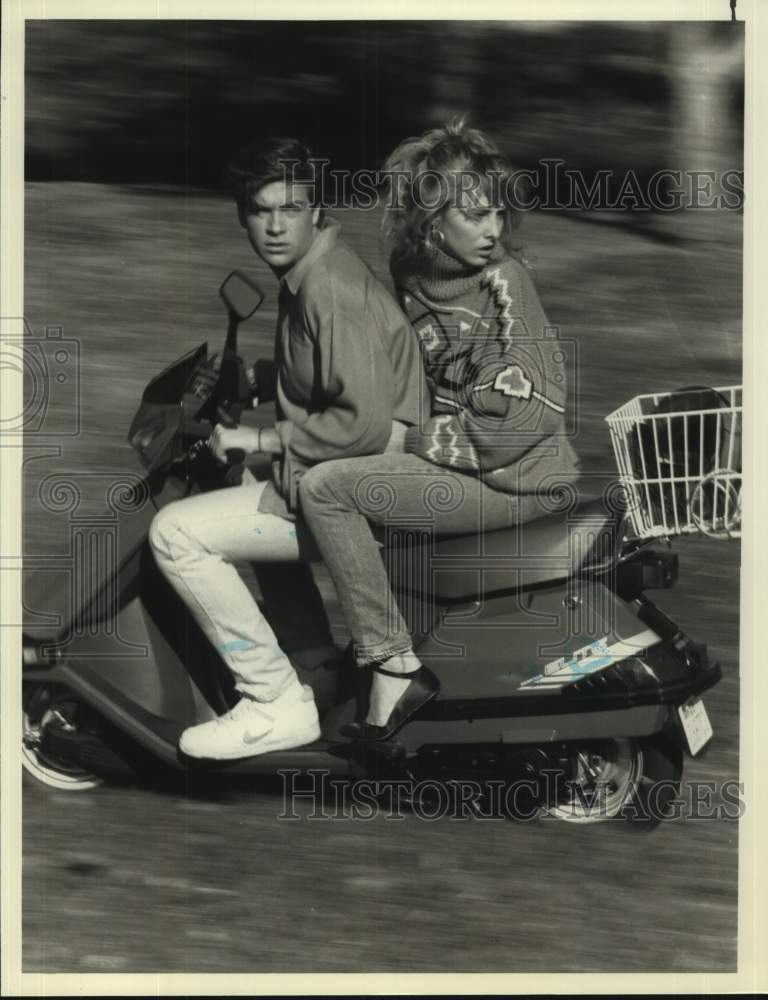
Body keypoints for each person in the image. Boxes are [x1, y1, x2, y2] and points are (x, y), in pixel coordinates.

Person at [299, 118, 581, 742]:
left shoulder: (506, 282)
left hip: (517, 479)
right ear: (431, 219)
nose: (493, 230)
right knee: (335, 475)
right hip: (464, 464)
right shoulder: (411, 273)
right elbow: (406, 365)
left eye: (498, 215)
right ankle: (362, 661)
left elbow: (532, 411)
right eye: (476, 216)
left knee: (326, 490)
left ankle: (391, 666)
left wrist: (416, 441)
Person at [149, 136, 427, 760]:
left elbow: (362, 421)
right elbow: (333, 372)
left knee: (176, 534)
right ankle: (316, 667)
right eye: (261, 210)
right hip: (353, 479)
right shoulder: (310, 275)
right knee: (248, 487)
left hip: (364, 493)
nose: (275, 226)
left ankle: (273, 699)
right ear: (243, 215)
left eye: (291, 208)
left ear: (316, 210)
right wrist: (263, 378)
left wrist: (260, 435)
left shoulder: (329, 288)